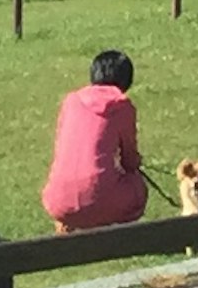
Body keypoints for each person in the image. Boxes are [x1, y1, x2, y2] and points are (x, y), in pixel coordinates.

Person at [43, 47, 148, 233]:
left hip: (57, 201)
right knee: (138, 190)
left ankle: (69, 222)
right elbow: (129, 159)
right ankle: (115, 228)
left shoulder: (71, 101)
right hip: (99, 197)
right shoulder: (122, 105)